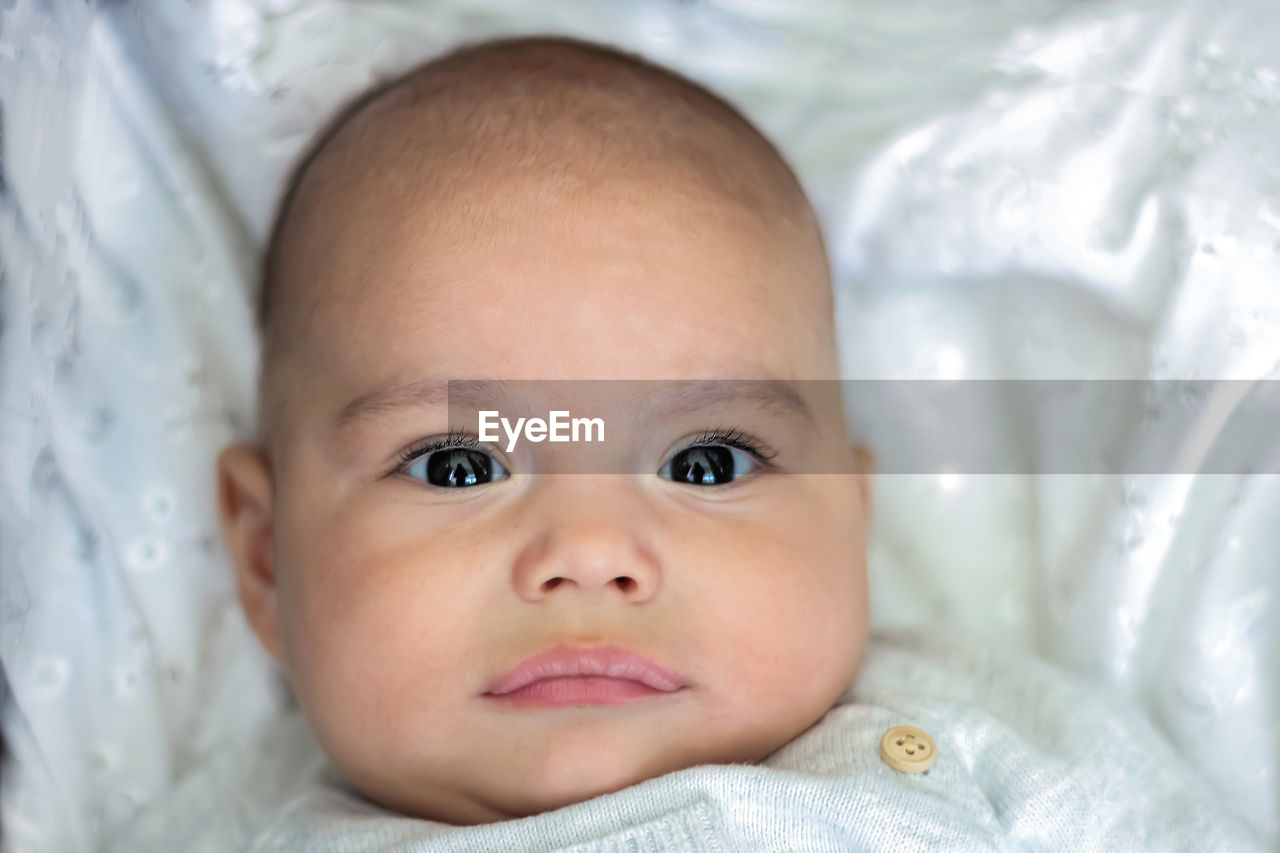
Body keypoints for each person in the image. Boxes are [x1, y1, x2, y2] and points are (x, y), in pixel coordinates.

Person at [192, 34, 1263, 850]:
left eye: (703, 462)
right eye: (458, 464)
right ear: (267, 557)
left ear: (850, 518)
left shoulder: (991, 743)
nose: (589, 552)